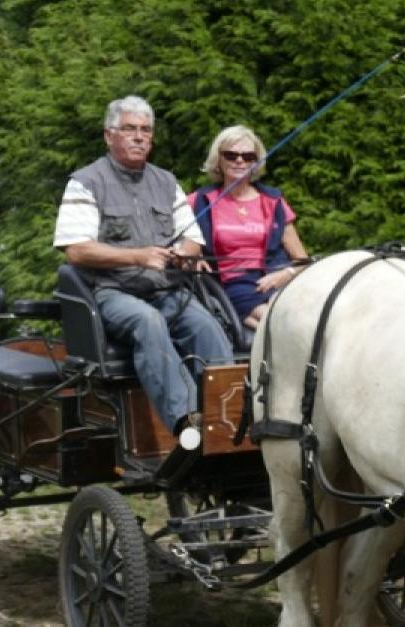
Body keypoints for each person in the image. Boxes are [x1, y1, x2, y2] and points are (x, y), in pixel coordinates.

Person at [53, 95, 233, 449]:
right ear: (109, 135)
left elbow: (193, 240)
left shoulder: (166, 182)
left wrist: (184, 254)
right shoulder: (86, 182)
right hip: (111, 293)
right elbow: (76, 249)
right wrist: (137, 257)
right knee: (148, 322)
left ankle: (227, 417)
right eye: (129, 129)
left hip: (166, 290)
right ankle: (187, 423)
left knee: (206, 326)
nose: (138, 137)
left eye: (145, 131)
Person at [187, 125, 308, 329]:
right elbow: (182, 243)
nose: (240, 161)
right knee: (279, 323)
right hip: (234, 283)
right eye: (231, 155)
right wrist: (193, 256)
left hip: (278, 278)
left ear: (256, 161)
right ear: (219, 159)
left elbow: (302, 260)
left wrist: (284, 275)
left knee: (307, 318)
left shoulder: (273, 201)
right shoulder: (199, 201)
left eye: (248, 156)